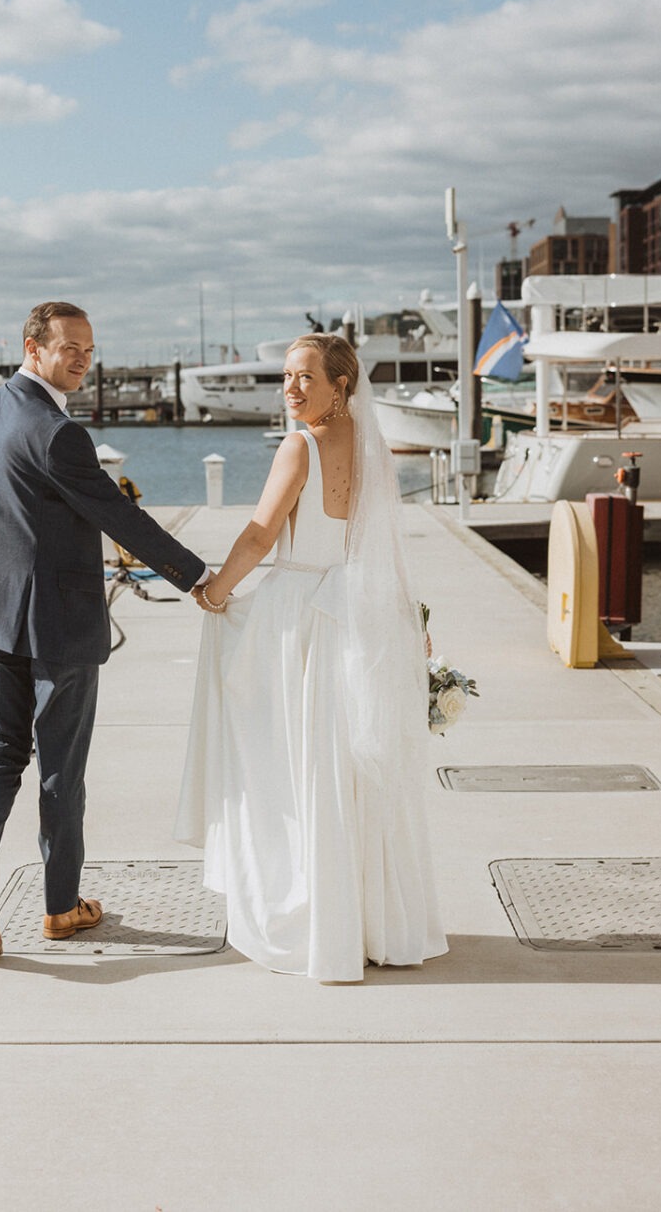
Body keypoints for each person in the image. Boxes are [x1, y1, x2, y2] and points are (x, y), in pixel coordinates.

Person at [0, 301, 209, 958]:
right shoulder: (59, 433)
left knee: (0, 750)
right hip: (57, 622)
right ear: (34, 348)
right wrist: (196, 577)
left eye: (90, 348)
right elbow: (119, 517)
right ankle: (60, 908)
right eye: (70, 348)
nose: (83, 358)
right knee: (61, 767)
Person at [175, 333, 447, 982]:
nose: (292, 389)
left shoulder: (300, 447)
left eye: (305, 377)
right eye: (287, 377)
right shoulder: (376, 451)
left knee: (287, 767)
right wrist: (411, 622)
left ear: (341, 384)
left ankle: (316, 921)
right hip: (358, 614)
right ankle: (370, 923)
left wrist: (216, 590)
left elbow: (261, 533)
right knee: (348, 770)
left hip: (298, 615)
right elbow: (387, 546)